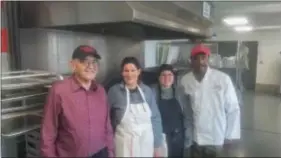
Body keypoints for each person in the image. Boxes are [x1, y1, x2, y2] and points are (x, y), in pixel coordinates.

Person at [40, 45, 114, 157]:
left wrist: (111, 152)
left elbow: (107, 127)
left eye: (94, 62)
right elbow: (48, 132)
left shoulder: (101, 91)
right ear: (73, 65)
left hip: (101, 153)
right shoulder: (59, 90)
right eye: (85, 61)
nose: (91, 66)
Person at [180, 44, 241, 157]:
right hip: (196, 137)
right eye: (196, 58)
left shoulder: (222, 79)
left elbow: (233, 109)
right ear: (191, 61)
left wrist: (230, 136)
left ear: (208, 59)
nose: (200, 61)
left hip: (216, 136)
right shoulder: (186, 80)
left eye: (203, 57)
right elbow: (186, 109)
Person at [107, 57, 164, 157]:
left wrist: (157, 145)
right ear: (122, 73)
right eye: (126, 71)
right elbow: (106, 120)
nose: (129, 74)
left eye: (133, 70)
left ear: (138, 72)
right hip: (123, 146)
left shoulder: (147, 91)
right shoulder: (114, 91)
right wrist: (109, 147)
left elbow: (155, 118)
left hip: (146, 144)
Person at [150, 64, 193, 157]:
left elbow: (187, 116)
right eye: (163, 75)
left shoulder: (180, 92)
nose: (166, 78)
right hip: (159, 139)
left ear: (174, 78)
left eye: (170, 75)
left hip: (177, 138)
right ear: (158, 78)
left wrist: (188, 136)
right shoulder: (152, 92)